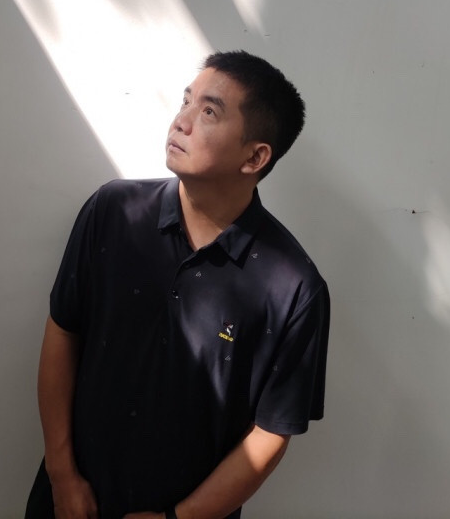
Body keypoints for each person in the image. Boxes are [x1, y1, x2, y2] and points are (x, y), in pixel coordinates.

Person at [25, 50, 330, 519]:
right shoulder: (113, 211)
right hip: (70, 500)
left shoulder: (293, 288)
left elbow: (270, 432)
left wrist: (180, 518)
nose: (181, 121)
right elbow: (64, 331)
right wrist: (62, 475)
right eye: (186, 101)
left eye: (209, 112)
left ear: (255, 156)